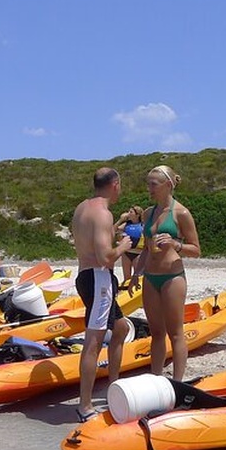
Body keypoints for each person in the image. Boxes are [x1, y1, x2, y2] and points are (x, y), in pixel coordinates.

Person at [71, 167, 134, 422]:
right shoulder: (103, 214)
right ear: (115, 184)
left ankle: (114, 387)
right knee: (94, 342)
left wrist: (113, 235)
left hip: (87, 278)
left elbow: (92, 240)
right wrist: (123, 246)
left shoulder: (82, 208)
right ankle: (85, 406)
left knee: (119, 330)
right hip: (98, 279)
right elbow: (104, 256)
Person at [130, 165, 201, 381]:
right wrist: (136, 273)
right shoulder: (148, 213)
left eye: (153, 184)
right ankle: (156, 379)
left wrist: (175, 244)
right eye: (148, 184)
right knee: (157, 333)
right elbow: (146, 248)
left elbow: (196, 250)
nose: (149, 188)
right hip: (151, 277)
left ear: (168, 185)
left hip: (172, 277)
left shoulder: (181, 213)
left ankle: (178, 382)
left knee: (176, 333)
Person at [113, 205, 145, 282]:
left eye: (130, 212)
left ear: (137, 215)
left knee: (138, 277)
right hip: (127, 253)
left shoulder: (142, 225)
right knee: (126, 278)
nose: (128, 214)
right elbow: (114, 230)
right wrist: (120, 220)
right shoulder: (127, 224)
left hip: (138, 253)